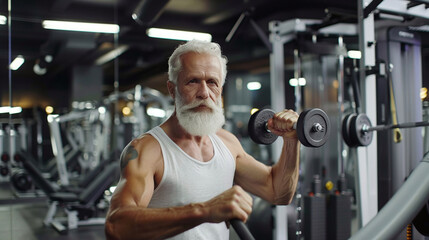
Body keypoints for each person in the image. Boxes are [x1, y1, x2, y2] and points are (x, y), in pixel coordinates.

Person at [105, 40, 300, 240]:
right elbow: (116, 227)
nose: (204, 93)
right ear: (172, 90)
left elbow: (278, 191)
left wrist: (292, 141)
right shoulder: (147, 150)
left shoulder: (227, 143)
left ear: (220, 90)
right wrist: (204, 211)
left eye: (212, 82)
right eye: (193, 81)